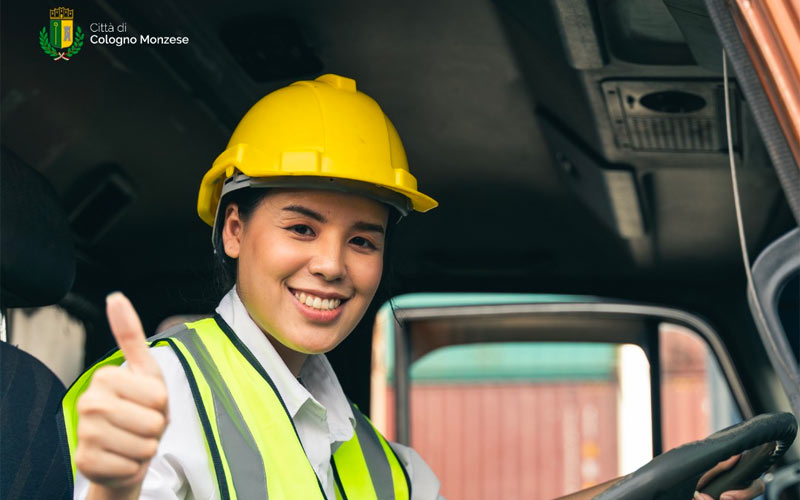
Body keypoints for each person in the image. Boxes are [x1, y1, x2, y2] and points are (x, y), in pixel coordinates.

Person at [60, 74, 764, 500]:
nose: (334, 265)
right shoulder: (141, 400)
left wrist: (659, 485)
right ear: (234, 231)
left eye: (362, 239)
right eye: (301, 229)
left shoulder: (370, 455)